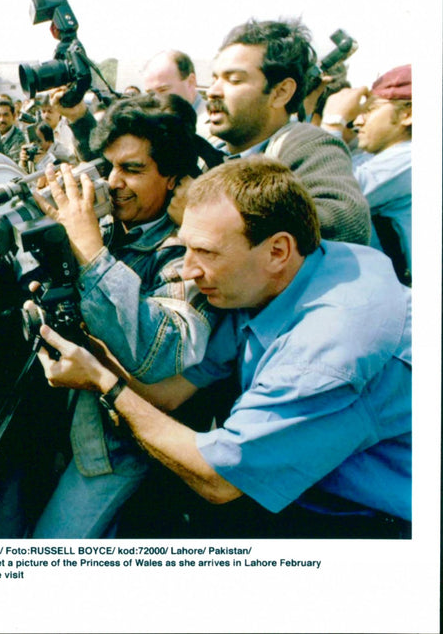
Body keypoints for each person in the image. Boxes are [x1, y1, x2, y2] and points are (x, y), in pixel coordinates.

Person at [34, 156, 411, 539]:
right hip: (308, 493)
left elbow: (219, 480)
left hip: (370, 523)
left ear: (278, 250)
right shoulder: (277, 278)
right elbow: (170, 393)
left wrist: (104, 384)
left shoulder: (324, 352)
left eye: (207, 253)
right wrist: (90, 352)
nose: (187, 270)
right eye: (186, 248)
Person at [31, 94, 222, 538]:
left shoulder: (186, 251)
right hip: (63, 426)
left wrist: (88, 248)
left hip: (117, 450)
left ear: (174, 180)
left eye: (133, 169)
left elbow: (163, 353)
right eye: (109, 166)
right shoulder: (110, 224)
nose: (114, 182)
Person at [205, 18, 371, 245]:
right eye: (214, 79)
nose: (213, 91)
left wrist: (211, 216)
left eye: (234, 80)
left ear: (281, 92)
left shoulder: (307, 147)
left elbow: (346, 225)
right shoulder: (208, 153)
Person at [321, 64, 412, 285]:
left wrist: (332, 121)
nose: (358, 121)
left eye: (370, 110)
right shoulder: (377, 154)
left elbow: (332, 192)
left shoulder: (412, 157)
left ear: (407, 115)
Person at [141, 49, 212, 140]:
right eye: (150, 93)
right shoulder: (150, 126)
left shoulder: (214, 127)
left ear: (191, 82)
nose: (155, 99)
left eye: (163, 90)